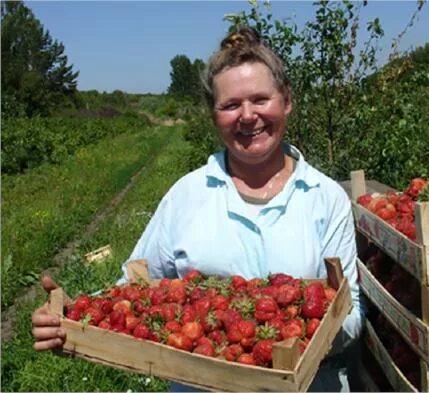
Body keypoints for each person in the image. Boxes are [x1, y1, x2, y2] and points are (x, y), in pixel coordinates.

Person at [31, 26, 365, 392]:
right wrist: (72, 319)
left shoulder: (324, 197)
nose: (248, 115)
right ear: (214, 114)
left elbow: (351, 316)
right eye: (231, 105)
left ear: (286, 101)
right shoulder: (186, 196)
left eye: (260, 99)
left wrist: (306, 339)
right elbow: (133, 294)